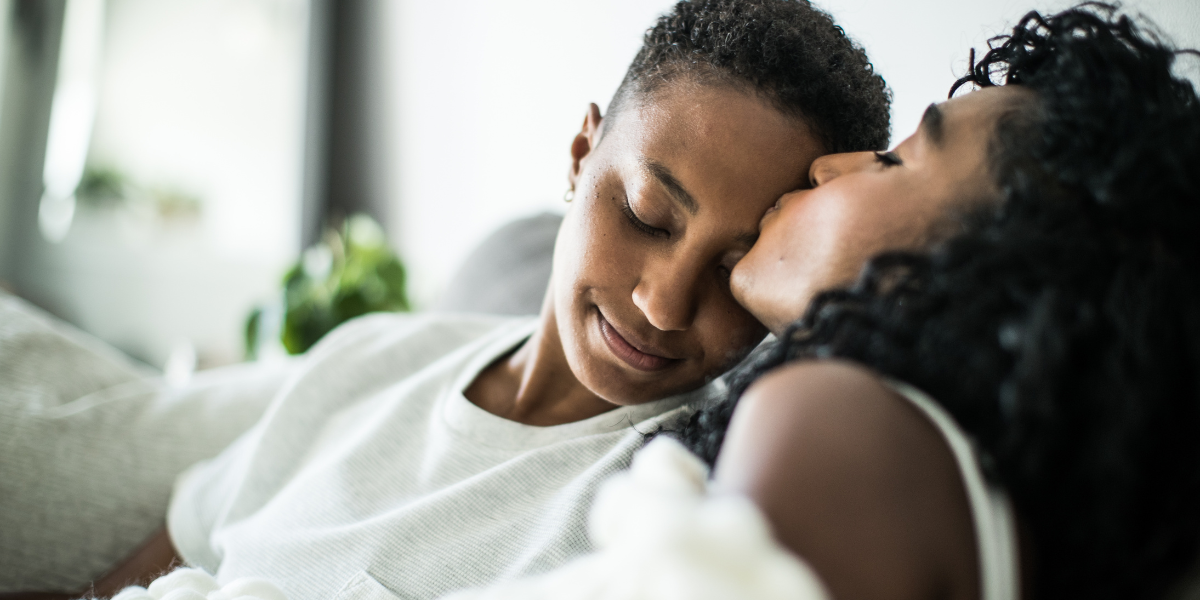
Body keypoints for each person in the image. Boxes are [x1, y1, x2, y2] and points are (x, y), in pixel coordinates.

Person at [1, 1, 891, 598]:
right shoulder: (374, 359)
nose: (663, 302)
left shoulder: (655, 511)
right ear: (582, 155)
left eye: (735, 268)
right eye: (649, 214)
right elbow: (136, 577)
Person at [673, 4, 1200, 599]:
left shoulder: (839, 424)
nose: (822, 168)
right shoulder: (970, 507)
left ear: (991, 274)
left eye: (894, 159)